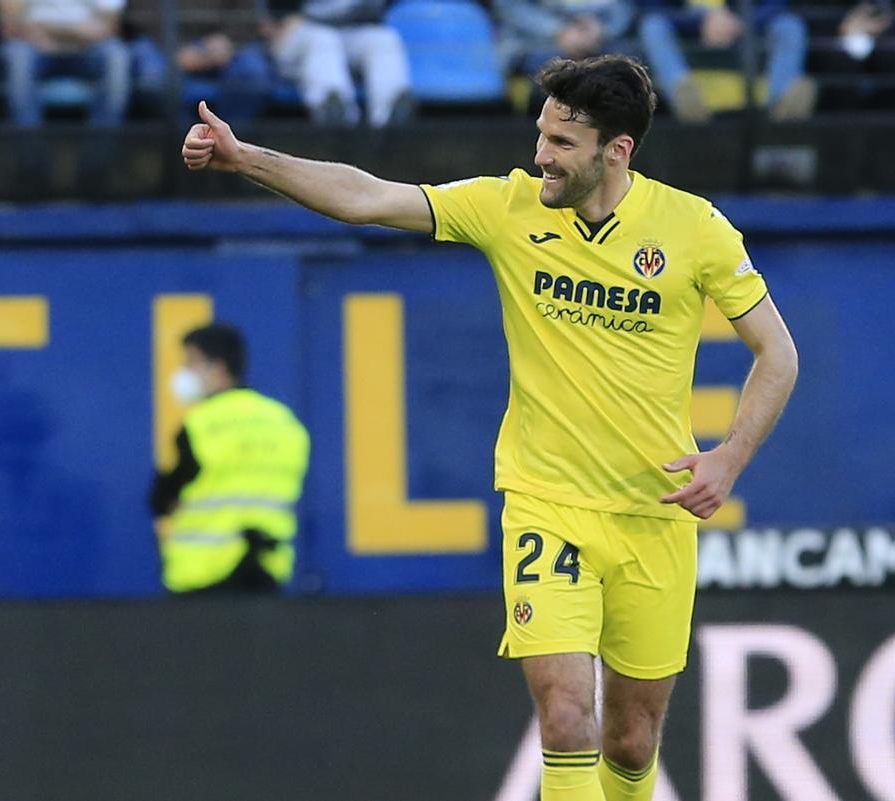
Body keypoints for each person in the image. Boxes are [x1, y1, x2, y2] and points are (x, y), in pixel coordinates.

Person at [181, 55, 798, 799]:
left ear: (618, 150)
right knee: (567, 718)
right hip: (547, 503)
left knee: (632, 744)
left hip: (653, 515)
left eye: (563, 144)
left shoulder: (693, 228)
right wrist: (247, 158)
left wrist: (728, 459)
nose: (541, 155)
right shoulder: (510, 207)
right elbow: (366, 198)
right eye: (541, 134)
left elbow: (778, 352)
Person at [150, 323, 310, 595]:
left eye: (192, 362)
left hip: (205, 573)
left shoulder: (201, 425)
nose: (183, 373)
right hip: (267, 570)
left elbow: (162, 498)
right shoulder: (284, 422)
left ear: (220, 368)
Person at [637, 0, 817, 122]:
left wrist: (741, 22)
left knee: (790, 25)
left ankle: (781, 103)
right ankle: (684, 97)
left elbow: (777, 4)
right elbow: (649, 6)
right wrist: (700, 21)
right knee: (653, 26)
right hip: (686, 35)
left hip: (745, 31)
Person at [266, 0, 414, 126]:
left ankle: (391, 118)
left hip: (355, 31)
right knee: (324, 41)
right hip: (305, 32)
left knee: (383, 39)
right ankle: (335, 116)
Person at [130, 0, 272, 123]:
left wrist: (228, 40)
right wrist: (174, 48)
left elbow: (249, 13)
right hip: (163, 43)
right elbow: (137, 16)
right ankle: (187, 145)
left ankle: (228, 144)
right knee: (153, 79)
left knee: (253, 72)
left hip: (222, 41)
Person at [0, 0, 131, 128]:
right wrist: (77, 32)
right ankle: (27, 147)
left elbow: (109, 28)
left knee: (116, 54)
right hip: (36, 47)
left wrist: (50, 29)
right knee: (19, 55)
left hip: (89, 50)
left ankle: (102, 147)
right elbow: (12, 25)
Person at [495, 0, 636, 78]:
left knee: (627, 62)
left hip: (601, 38)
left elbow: (625, 7)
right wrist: (558, 31)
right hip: (536, 41)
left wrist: (602, 30)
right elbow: (511, 7)